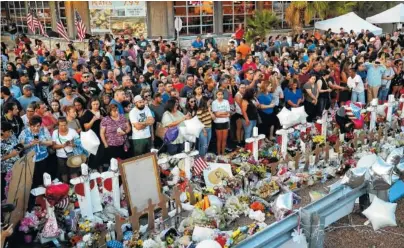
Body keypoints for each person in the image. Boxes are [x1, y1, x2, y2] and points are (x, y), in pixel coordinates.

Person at [19, 116, 53, 188]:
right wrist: (30, 144)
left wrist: (41, 142)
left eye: (38, 126)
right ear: (29, 125)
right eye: (33, 126)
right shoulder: (24, 132)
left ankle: (43, 191)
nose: (36, 128)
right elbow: (20, 147)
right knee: (33, 178)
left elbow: (51, 142)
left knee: (43, 176)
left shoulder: (44, 130)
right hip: (30, 160)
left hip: (43, 158)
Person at [52, 117, 80, 182]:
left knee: (73, 172)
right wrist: (62, 145)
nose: (63, 127)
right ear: (58, 125)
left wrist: (74, 144)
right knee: (64, 172)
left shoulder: (72, 131)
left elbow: (79, 142)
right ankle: (66, 185)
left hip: (72, 154)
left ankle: (74, 185)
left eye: (65, 125)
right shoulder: (55, 133)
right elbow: (53, 146)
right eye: (61, 125)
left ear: (67, 124)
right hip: (60, 156)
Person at [1, 122, 20, 200]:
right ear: (2, 131)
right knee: (6, 189)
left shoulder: (12, 136)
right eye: (8, 132)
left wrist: (19, 148)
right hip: (5, 170)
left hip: (16, 166)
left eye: (10, 131)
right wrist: (11, 155)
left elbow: (17, 144)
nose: (10, 133)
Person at [212, 90, 231, 155]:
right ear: (216, 95)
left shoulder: (226, 101)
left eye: (221, 94)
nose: (220, 96)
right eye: (219, 94)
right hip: (218, 123)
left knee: (224, 139)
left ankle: (223, 153)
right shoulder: (214, 102)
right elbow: (216, 114)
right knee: (219, 139)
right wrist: (225, 114)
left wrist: (220, 113)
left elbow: (228, 112)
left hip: (225, 122)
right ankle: (219, 154)